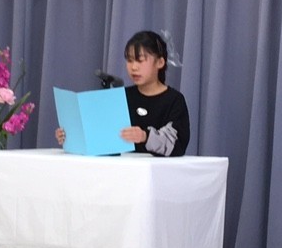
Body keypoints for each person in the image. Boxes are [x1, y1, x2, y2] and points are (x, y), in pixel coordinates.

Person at [55, 30, 190, 156]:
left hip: (155, 171)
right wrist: (71, 135)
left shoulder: (174, 100)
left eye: (140, 60)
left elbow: (177, 144)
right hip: (120, 169)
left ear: (160, 62)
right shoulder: (122, 97)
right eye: (130, 60)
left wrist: (145, 136)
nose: (134, 67)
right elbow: (102, 135)